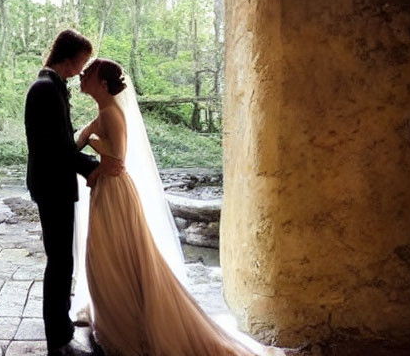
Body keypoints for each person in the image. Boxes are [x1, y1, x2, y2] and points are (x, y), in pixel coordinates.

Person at [76, 58, 258, 356]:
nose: (83, 75)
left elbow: (118, 156)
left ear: (103, 83)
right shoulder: (103, 111)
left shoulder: (111, 112)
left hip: (116, 191)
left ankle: (127, 326)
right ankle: (115, 318)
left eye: (89, 72)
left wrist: (91, 139)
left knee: (114, 256)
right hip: (106, 189)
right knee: (106, 256)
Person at [24, 30, 122, 356]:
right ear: (69, 56)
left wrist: (87, 160)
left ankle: (61, 331)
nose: (83, 69)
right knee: (60, 262)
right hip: (52, 185)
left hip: (53, 183)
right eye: (82, 60)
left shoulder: (51, 87)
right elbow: (54, 146)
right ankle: (59, 340)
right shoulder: (45, 89)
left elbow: (62, 142)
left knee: (61, 260)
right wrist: (91, 166)